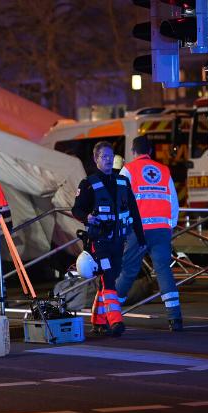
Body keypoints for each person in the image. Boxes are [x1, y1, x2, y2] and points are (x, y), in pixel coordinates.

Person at [72, 141, 146, 337]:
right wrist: (87, 217)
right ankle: (116, 322)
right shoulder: (88, 184)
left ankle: (98, 321)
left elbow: (134, 212)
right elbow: (76, 209)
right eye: (103, 157)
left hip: (118, 242)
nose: (107, 160)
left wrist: (140, 236)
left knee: (106, 281)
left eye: (110, 157)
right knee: (109, 279)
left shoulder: (122, 182)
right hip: (99, 242)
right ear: (96, 160)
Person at [116, 135, 183, 331]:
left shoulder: (128, 170)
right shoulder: (163, 170)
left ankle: (109, 312)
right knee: (163, 270)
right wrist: (170, 225)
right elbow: (174, 202)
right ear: (151, 151)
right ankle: (175, 317)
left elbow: (121, 200)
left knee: (128, 271)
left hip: (137, 230)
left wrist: (122, 226)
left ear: (133, 152)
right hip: (161, 230)